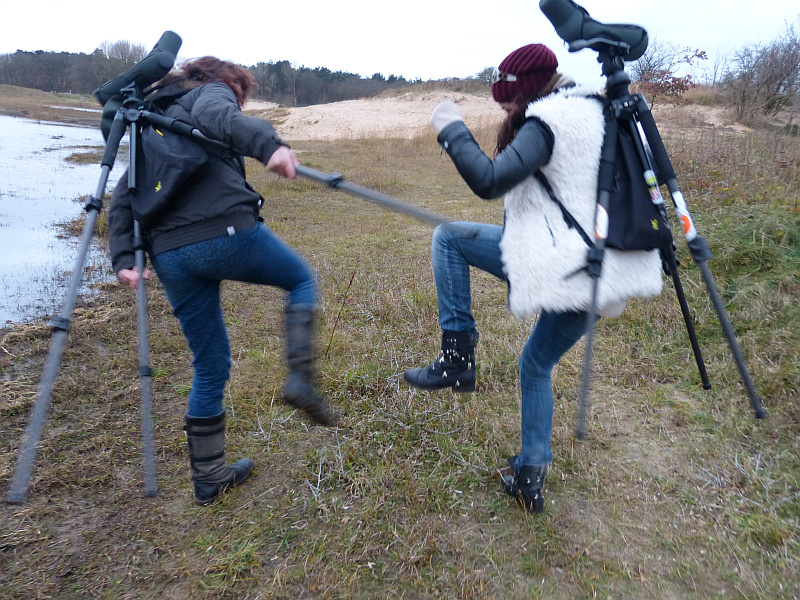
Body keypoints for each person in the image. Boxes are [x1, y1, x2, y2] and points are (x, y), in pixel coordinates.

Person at [403, 44, 663, 513]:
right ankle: (530, 476)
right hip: (605, 270)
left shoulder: (550, 120)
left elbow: (488, 180)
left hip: (560, 266)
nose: (504, 107)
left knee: (449, 238)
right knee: (535, 366)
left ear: (527, 88)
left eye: (507, 98)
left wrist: (451, 130)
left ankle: (457, 358)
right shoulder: (595, 110)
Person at [108, 57, 334, 506]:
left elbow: (123, 194)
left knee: (209, 363)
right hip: (225, 232)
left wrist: (123, 258)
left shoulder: (148, 123)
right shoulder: (208, 93)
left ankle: (209, 478)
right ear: (226, 81)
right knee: (302, 280)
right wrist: (270, 146)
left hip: (171, 256)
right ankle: (300, 379)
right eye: (241, 91)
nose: (240, 97)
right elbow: (223, 118)